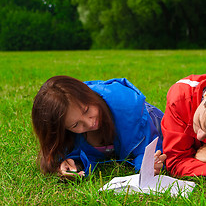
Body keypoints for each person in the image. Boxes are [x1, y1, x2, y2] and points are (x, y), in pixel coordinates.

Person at [32, 76, 166, 178]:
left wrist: (147, 165)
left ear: (89, 95)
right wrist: (70, 163)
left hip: (151, 119)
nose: (89, 123)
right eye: (75, 125)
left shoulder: (131, 111)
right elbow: (69, 151)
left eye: (86, 110)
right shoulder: (67, 135)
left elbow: (149, 146)